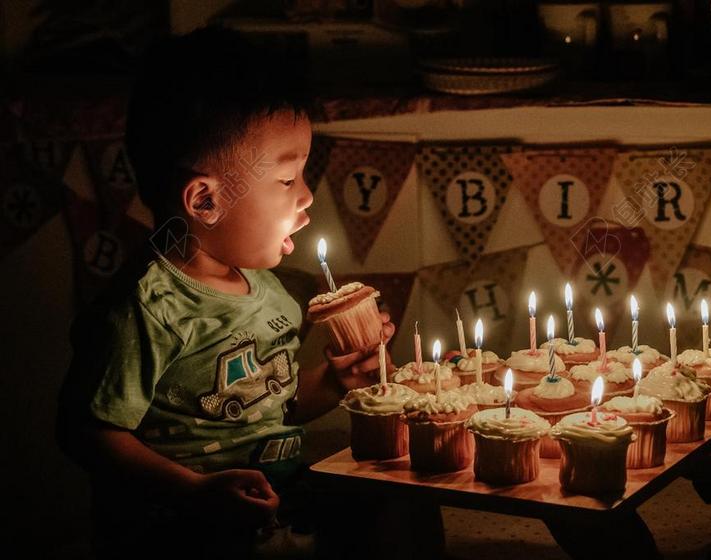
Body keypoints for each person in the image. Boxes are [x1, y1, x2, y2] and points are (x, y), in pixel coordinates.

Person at [55, 26, 442, 559]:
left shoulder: (266, 289)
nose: (307, 196)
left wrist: (334, 380)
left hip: (277, 497)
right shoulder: (146, 310)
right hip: (180, 523)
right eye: (287, 181)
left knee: (406, 497)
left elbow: (266, 406)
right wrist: (192, 490)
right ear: (205, 200)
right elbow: (87, 433)